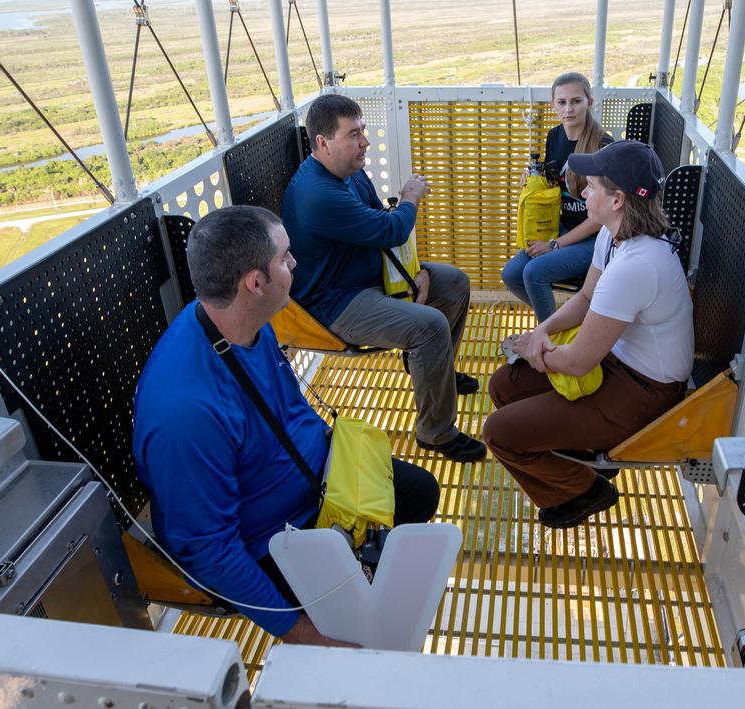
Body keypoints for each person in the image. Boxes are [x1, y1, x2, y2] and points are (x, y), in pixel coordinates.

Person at [134, 205, 441, 645]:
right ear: (256, 283)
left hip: (317, 479)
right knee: (361, 636)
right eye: (284, 257)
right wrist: (303, 633)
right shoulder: (186, 412)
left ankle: (360, 574)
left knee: (421, 492)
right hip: (274, 536)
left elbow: (287, 408)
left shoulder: (247, 323)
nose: (294, 264)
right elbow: (210, 551)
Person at [482, 141, 693, 529]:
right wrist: (542, 330)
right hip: (618, 363)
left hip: (643, 393)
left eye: (592, 186)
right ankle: (585, 456)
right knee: (504, 386)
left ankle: (586, 490)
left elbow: (578, 362)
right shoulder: (612, 236)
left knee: (498, 434)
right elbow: (585, 297)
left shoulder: (636, 266)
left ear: (617, 200)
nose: (582, 193)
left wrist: (534, 351)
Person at [283, 93, 486, 463]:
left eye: (363, 130)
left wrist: (415, 272)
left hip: (367, 276)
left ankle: (434, 373)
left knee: (455, 282)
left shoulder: (350, 172)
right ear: (323, 143)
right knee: (430, 326)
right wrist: (410, 197)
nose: (365, 142)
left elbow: (380, 226)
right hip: (334, 302)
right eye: (353, 134)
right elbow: (393, 229)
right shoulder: (318, 194)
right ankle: (436, 432)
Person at [501, 72, 611, 322]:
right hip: (562, 226)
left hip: (595, 238)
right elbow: (554, 183)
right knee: (511, 274)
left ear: (589, 103)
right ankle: (560, 323)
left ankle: (549, 332)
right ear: (553, 105)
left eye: (576, 101)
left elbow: (600, 219)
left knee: (534, 273)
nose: (568, 109)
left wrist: (554, 245)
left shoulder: (603, 146)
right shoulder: (554, 136)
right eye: (562, 102)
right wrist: (534, 178)